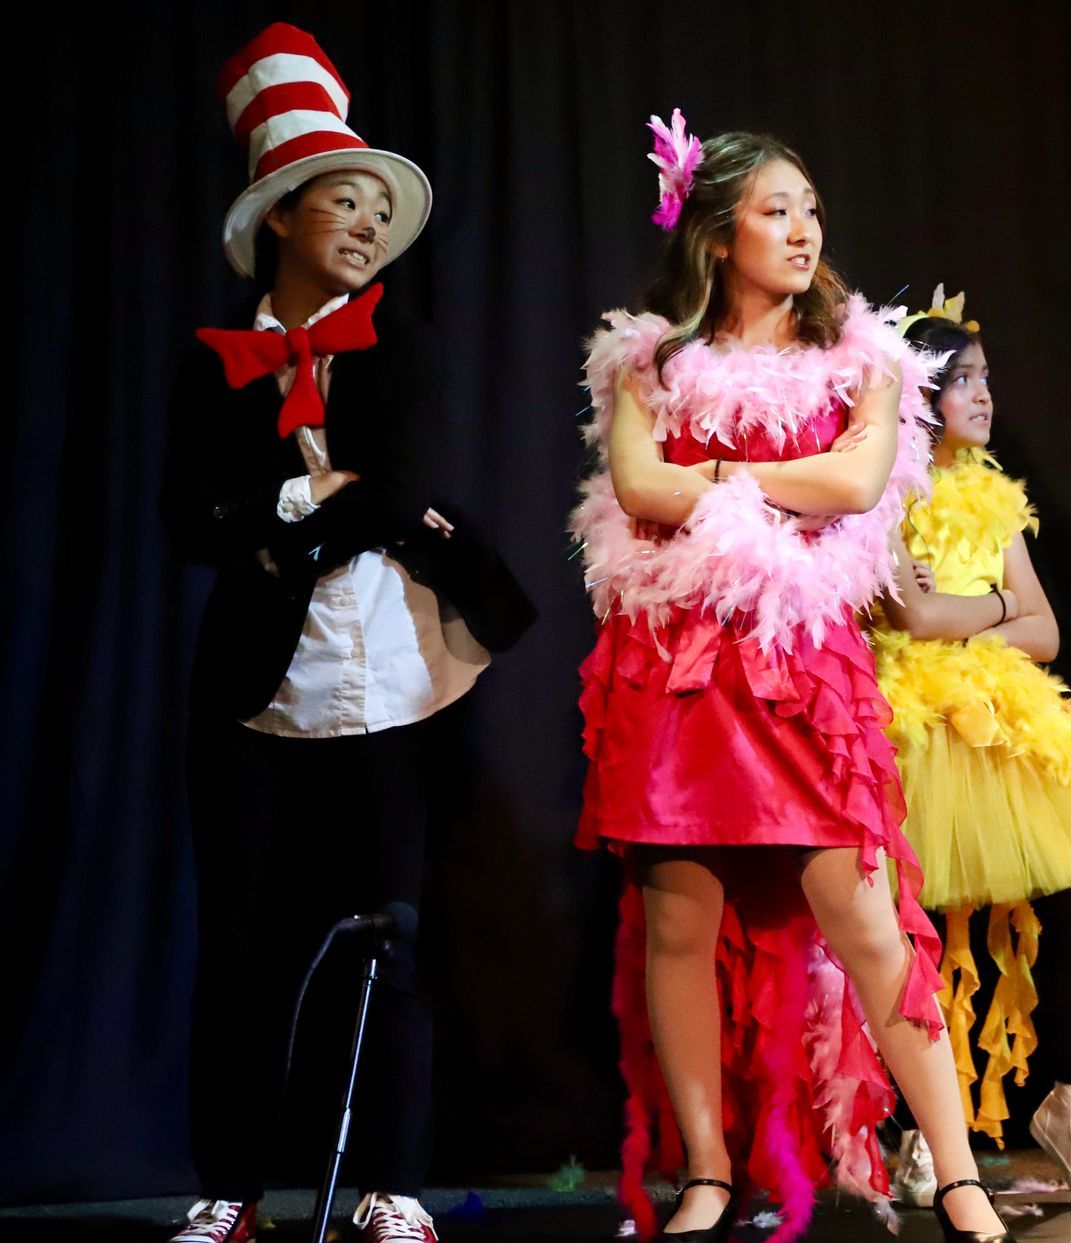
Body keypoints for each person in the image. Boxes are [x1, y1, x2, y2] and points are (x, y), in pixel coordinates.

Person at [571, 112, 1010, 1242]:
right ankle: (708, 1170)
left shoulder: (861, 356)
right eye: (778, 211)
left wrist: (711, 472)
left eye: (811, 209)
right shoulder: (648, 361)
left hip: (799, 670)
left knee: (871, 925)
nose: (805, 230)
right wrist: (762, 476)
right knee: (678, 926)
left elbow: (860, 482)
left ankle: (957, 1173)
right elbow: (639, 488)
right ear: (719, 234)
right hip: (678, 671)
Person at [162, 23, 531, 1243]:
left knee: (393, 937)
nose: (367, 226)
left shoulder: (402, 347)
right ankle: (231, 1184)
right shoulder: (213, 363)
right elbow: (187, 517)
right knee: (244, 944)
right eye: (344, 200)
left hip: (392, 678)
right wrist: (296, 502)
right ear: (279, 217)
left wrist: (283, 513)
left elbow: (396, 486)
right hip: (256, 690)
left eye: (380, 207)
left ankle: (390, 1183)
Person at [874, 292, 1071, 1209]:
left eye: (987, 379)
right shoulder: (884, 490)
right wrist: (992, 615)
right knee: (922, 917)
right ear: (924, 393)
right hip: (915, 715)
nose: (985, 396)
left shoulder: (994, 496)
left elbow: (1048, 630)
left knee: (1069, 891)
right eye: (967, 380)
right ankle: (917, 1128)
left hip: (1006, 715)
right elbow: (907, 614)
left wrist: (971, 611)